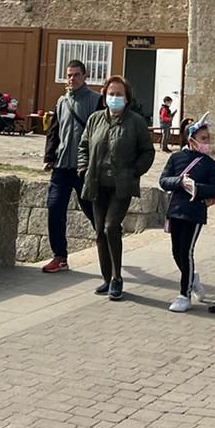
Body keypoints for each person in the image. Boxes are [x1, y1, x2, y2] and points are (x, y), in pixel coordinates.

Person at [77, 75, 154, 301]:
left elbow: (148, 152)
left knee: (111, 227)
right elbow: (83, 146)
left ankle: (117, 277)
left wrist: (134, 172)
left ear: (127, 98)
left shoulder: (136, 122)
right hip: (97, 183)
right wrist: (83, 168)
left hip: (121, 186)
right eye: (111, 94)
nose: (114, 98)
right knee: (99, 231)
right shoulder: (95, 119)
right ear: (104, 96)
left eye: (119, 94)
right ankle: (106, 277)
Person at [40, 59, 102, 273]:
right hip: (61, 166)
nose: (72, 79)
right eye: (69, 75)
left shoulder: (97, 101)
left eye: (76, 75)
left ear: (85, 76)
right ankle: (60, 256)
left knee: (92, 210)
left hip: (84, 168)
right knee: (55, 208)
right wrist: (49, 156)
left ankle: (109, 241)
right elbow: (54, 131)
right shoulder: (61, 102)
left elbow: (102, 134)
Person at [159, 114, 215, 311]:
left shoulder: (209, 163)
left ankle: (184, 295)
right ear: (191, 139)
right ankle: (192, 279)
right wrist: (180, 182)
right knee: (176, 252)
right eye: (203, 138)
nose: (207, 142)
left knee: (187, 251)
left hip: (194, 213)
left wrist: (197, 188)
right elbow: (163, 180)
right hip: (175, 210)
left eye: (208, 138)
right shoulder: (176, 158)